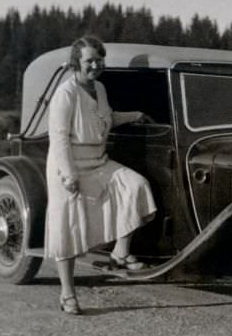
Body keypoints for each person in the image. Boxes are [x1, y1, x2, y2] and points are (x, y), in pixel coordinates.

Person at [44, 35, 156, 315]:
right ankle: (67, 293)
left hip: (98, 160)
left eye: (99, 59)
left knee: (135, 186)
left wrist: (135, 115)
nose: (95, 65)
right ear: (76, 63)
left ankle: (120, 250)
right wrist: (68, 175)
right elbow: (58, 138)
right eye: (89, 61)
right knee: (68, 228)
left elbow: (106, 118)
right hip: (68, 164)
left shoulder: (101, 89)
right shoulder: (65, 93)